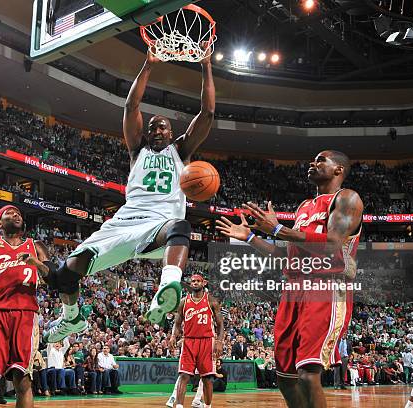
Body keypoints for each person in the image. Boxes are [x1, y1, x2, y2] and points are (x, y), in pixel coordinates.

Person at [45, 48, 215, 342]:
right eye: (152, 128)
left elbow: (208, 112)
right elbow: (130, 107)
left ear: (172, 132)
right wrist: (148, 64)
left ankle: (169, 283)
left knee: (181, 226)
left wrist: (207, 66)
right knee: (66, 274)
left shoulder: (182, 151)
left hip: (160, 223)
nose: (156, 130)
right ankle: (72, 319)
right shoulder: (137, 150)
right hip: (125, 221)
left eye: (161, 126)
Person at [217, 150, 363, 408]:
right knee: (284, 377)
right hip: (294, 288)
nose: (312, 163)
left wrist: (277, 229)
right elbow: (287, 254)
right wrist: (251, 238)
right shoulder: (304, 207)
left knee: (309, 374)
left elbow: (332, 244)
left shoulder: (347, 198)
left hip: (325, 286)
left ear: (339, 169)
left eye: (320, 160)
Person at [0, 205, 51, 408]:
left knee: (22, 381)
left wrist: (36, 263)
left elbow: (54, 277)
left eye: (18, 213)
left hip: (26, 315)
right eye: (10, 213)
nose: (16, 215)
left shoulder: (36, 246)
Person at [168, 274, 224, 408]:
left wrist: (219, 342)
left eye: (198, 281)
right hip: (189, 341)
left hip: (207, 341)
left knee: (207, 379)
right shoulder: (184, 302)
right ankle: (179, 406)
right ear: (190, 283)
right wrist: (173, 336)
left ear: (204, 283)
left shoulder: (212, 301)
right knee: (184, 375)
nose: (195, 283)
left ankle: (207, 406)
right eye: (193, 281)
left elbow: (220, 324)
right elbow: (177, 323)